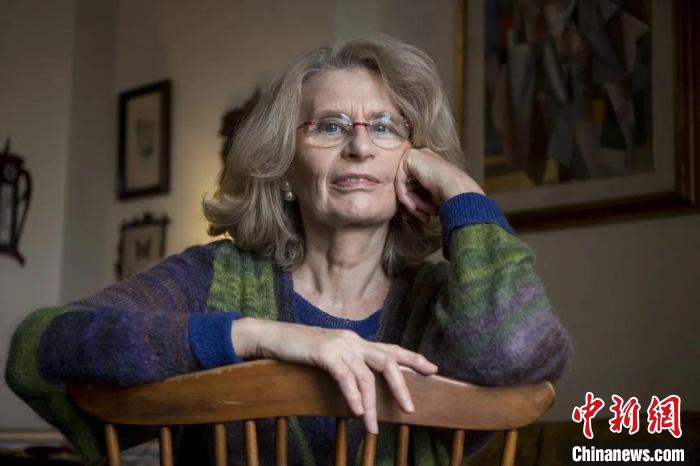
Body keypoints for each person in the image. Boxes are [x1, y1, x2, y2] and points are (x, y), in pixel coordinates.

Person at [6, 34, 571, 465]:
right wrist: (257, 336)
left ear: (417, 162)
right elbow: (41, 348)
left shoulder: (444, 303)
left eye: (386, 127)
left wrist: (462, 193)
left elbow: (515, 349)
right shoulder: (214, 277)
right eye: (330, 126)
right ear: (283, 168)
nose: (359, 146)